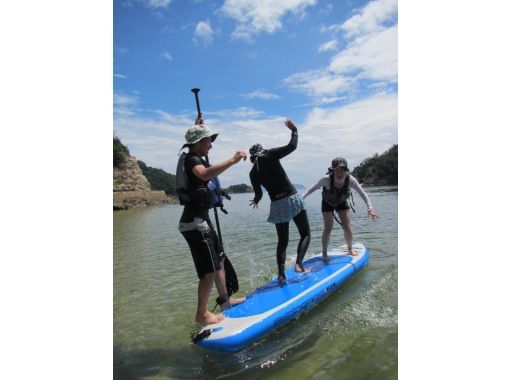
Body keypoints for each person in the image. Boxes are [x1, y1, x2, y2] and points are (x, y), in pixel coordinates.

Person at [178, 117, 247, 325]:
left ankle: (225, 301)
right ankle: (201, 313)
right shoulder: (192, 160)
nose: (211, 144)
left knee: (219, 260)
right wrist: (232, 160)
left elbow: (203, 168)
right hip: (194, 224)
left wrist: (198, 124)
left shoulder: (196, 156)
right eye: (208, 140)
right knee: (208, 270)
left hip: (203, 221)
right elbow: (205, 174)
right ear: (198, 143)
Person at [249, 119, 311, 284]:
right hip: (291, 199)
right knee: (305, 233)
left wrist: (256, 200)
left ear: (251, 158)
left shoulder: (252, 173)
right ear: (262, 150)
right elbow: (292, 146)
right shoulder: (269, 154)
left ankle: (282, 274)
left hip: (277, 204)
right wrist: (294, 130)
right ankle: (299, 264)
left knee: (282, 241)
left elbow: (259, 193)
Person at [302, 157, 379, 260]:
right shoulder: (326, 179)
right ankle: (324, 253)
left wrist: (370, 208)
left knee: (347, 226)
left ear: (345, 170)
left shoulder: (350, 179)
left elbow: (362, 193)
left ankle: (350, 248)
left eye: (342, 170)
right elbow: (311, 189)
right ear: (332, 170)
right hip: (327, 203)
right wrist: (301, 199)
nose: (339, 172)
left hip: (341, 202)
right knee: (328, 228)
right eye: (337, 170)